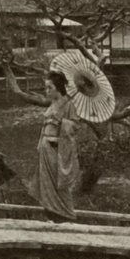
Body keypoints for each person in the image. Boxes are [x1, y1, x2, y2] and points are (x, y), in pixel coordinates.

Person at [27, 71, 81, 221]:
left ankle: (66, 214)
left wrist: (62, 123)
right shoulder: (52, 105)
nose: (47, 91)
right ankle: (51, 214)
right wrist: (40, 143)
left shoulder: (69, 104)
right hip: (45, 149)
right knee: (46, 186)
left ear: (58, 88)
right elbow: (45, 126)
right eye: (46, 88)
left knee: (60, 184)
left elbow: (75, 126)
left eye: (49, 87)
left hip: (56, 149)